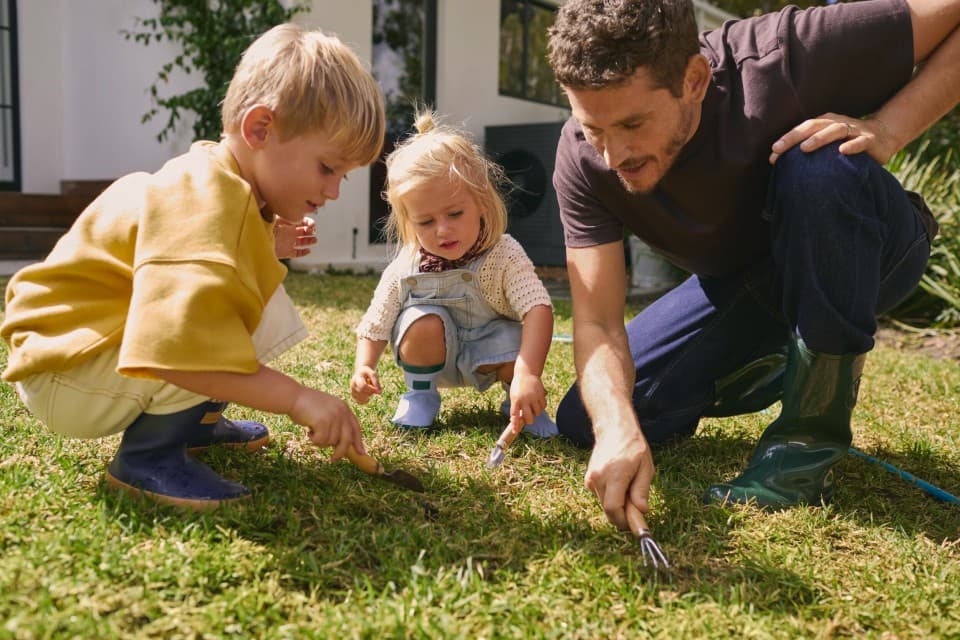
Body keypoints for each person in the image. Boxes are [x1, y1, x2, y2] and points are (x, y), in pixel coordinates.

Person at [546, 0, 960, 529]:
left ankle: (804, 450)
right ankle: (783, 361)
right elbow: (599, 323)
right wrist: (615, 427)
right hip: (751, 283)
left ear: (694, 79)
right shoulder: (581, 160)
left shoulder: (791, 53)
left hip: (871, 248)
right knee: (586, 417)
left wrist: (891, 127)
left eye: (632, 122)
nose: (613, 154)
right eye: (594, 129)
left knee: (819, 165)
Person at [0, 23, 386, 510]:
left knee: (245, 298)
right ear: (260, 129)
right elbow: (179, 348)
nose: (332, 191)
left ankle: (194, 424)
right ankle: (147, 458)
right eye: (327, 168)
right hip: (65, 373)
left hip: (80, 353)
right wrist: (297, 397)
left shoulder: (223, 183)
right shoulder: (202, 202)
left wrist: (268, 243)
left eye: (342, 177)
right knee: (199, 328)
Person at [350, 111, 558, 439]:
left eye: (455, 213)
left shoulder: (503, 252)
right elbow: (377, 320)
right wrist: (364, 366)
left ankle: (517, 401)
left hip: (489, 355)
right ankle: (420, 395)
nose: (443, 230)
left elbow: (537, 308)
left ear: (482, 203)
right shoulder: (408, 263)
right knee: (421, 319)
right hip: (433, 359)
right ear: (409, 222)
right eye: (426, 222)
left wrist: (528, 373)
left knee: (516, 339)